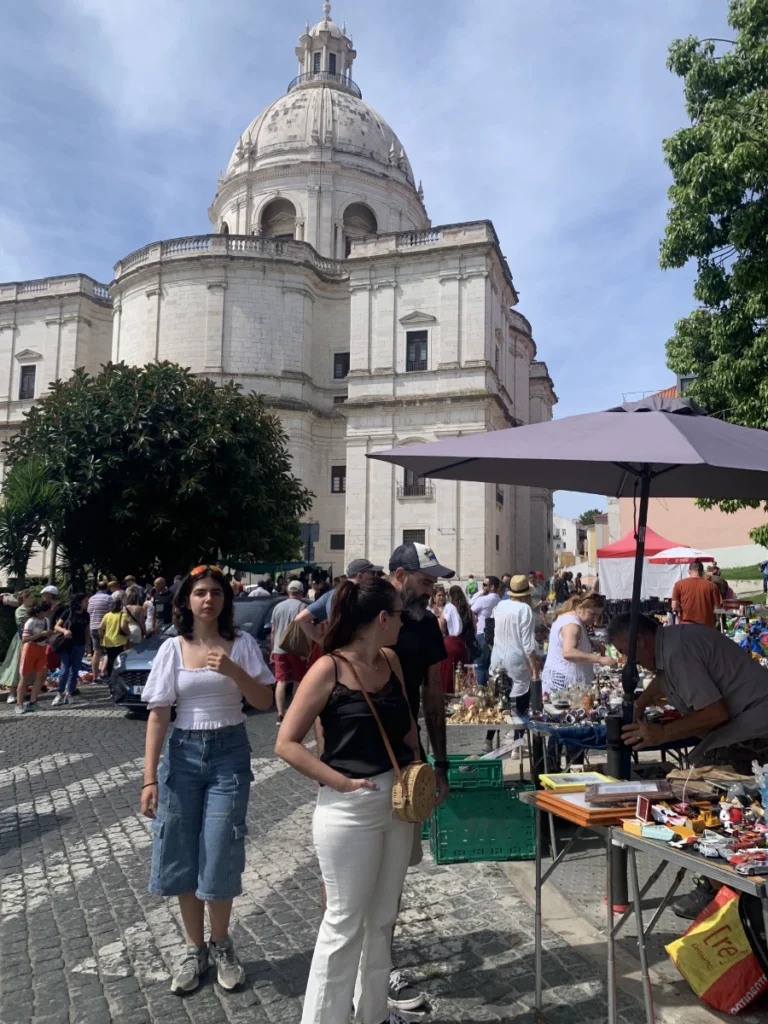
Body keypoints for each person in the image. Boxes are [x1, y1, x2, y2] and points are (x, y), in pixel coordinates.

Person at [275, 578, 416, 1024]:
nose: (402, 621)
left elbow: (409, 732)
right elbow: (286, 743)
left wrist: (422, 775)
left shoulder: (391, 661)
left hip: (396, 802)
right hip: (349, 806)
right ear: (381, 619)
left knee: (381, 920)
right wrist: (339, 782)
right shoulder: (328, 669)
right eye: (398, 613)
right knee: (343, 923)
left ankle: (372, 1015)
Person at [140, 566, 274, 994]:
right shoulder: (172, 649)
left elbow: (265, 700)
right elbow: (159, 714)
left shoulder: (243, 644)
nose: (208, 600)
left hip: (229, 753)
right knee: (180, 850)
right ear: (186, 601)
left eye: (216, 593)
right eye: (199, 593)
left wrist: (234, 670)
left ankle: (222, 943)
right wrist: (149, 779)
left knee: (219, 847)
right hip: (182, 756)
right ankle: (193, 947)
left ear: (225, 601)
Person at [612, 612, 768, 918]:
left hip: (756, 727)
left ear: (641, 641)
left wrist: (662, 734)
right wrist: (641, 704)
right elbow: (664, 679)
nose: (624, 661)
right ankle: (722, 884)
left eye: (623, 652)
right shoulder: (672, 644)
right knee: (700, 778)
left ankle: (720, 887)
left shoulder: (678, 650)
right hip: (748, 721)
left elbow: (714, 713)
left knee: (702, 794)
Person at [294, 559, 383, 648]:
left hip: (336, 651)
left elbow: (300, 618)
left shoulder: (330, 594)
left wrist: (321, 641)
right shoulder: (366, 595)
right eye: (372, 573)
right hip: (360, 651)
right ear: (360, 576)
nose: (375, 577)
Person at [489, 575, 541, 723]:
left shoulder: (500, 605)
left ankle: (489, 739)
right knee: (521, 703)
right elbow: (528, 643)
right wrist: (534, 669)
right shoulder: (524, 609)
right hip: (517, 659)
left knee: (499, 702)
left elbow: (492, 631)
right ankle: (517, 741)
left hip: (498, 657)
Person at [541, 595, 617, 695]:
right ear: (580, 608)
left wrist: (591, 643)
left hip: (564, 680)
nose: (595, 619)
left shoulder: (573, 618)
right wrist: (599, 659)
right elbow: (568, 652)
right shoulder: (572, 625)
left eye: (598, 615)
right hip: (564, 684)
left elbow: (574, 640)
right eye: (592, 614)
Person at [270, 580, 307, 724]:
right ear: (301, 592)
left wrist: (272, 649)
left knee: (281, 680)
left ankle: (280, 714)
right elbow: (306, 630)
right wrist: (307, 650)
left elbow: (273, 631)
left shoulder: (277, 607)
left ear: (288, 592)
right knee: (298, 679)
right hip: (297, 648)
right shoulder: (302, 606)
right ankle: (293, 711)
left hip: (279, 648)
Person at [51, 594, 90, 706]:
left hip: (80, 644)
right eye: (85, 601)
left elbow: (87, 631)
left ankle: (69, 693)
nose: (87, 603)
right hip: (66, 644)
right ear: (78, 602)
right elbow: (56, 626)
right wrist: (64, 631)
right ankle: (60, 693)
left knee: (75, 670)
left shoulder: (86, 615)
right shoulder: (68, 612)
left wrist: (88, 646)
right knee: (64, 670)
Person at [14, 601, 53, 714]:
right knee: (25, 677)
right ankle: (19, 704)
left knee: (41, 675)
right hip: (30, 649)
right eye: (49, 610)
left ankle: (32, 702)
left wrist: (50, 635)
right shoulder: (31, 621)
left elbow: (46, 636)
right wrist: (41, 634)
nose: (51, 611)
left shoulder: (46, 621)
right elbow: (25, 639)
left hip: (42, 649)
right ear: (43, 611)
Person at [437, 586, 472, 693]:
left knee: (448, 673)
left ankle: (447, 696)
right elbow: (474, 628)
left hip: (450, 643)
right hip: (464, 645)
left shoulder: (448, 607)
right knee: (463, 674)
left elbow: (441, 625)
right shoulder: (468, 609)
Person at [3, 590, 35, 703]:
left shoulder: (31, 610)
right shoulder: (20, 610)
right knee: (16, 665)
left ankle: (23, 691)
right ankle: (11, 694)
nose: (33, 599)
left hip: (32, 639)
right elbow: (25, 624)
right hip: (21, 640)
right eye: (31, 597)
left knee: (27, 665)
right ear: (24, 599)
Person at [469, 576, 500, 687]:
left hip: (482, 633)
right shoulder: (499, 600)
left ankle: (481, 695)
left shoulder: (485, 599)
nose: (483, 587)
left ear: (492, 587)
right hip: (493, 636)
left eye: (485, 585)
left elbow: (470, 606)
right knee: (488, 666)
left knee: (480, 666)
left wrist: (480, 592)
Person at [671, 559, 722, 627]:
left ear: (689, 571)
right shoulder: (712, 586)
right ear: (702, 572)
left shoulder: (679, 584)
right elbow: (717, 607)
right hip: (706, 625)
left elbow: (674, 606)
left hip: (686, 625)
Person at [99, 593, 130, 678]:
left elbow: (100, 627)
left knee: (110, 659)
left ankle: (110, 677)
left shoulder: (107, 615)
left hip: (108, 641)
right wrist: (129, 634)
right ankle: (118, 677)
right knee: (119, 660)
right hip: (119, 641)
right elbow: (123, 626)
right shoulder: (123, 614)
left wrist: (102, 638)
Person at [87, 580, 112, 680]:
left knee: (96, 652)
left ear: (97, 588)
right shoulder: (109, 598)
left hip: (93, 627)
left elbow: (88, 612)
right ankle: (103, 673)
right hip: (104, 628)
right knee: (107, 651)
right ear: (107, 588)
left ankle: (94, 676)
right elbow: (111, 613)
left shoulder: (91, 599)